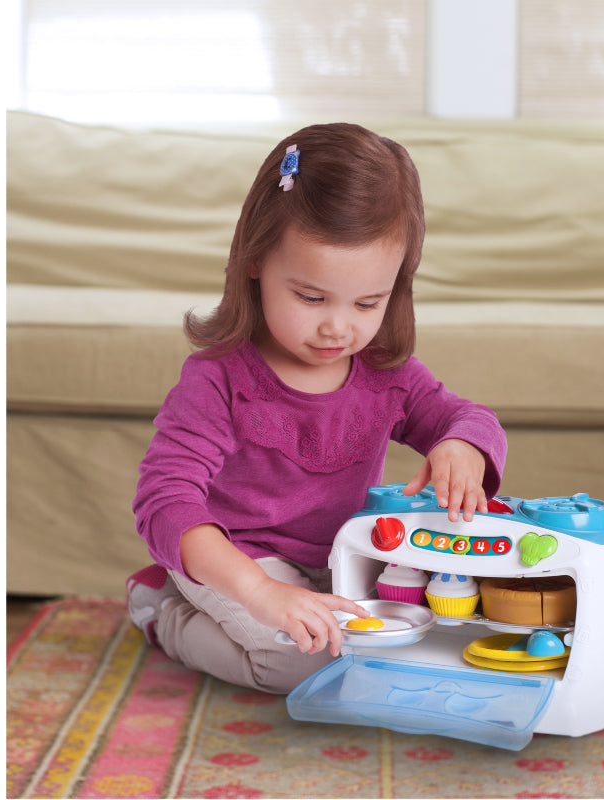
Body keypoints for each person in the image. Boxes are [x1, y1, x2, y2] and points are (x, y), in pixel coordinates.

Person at [127, 122, 507, 694]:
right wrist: (258, 590)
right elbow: (165, 502)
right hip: (236, 561)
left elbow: (466, 417)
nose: (337, 327)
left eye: (367, 303)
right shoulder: (217, 379)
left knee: (400, 643)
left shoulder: (386, 374)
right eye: (311, 297)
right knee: (303, 663)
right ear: (256, 261)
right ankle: (162, 610)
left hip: (341, 558)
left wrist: (462, 444)